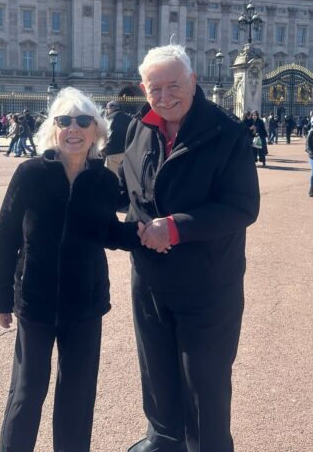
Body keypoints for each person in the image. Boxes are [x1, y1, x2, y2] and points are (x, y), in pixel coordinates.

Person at [119, 44, 260, 452]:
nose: (164, 97)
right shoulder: (139, 127)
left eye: (173, 85)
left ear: (193, 82)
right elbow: (128, 190)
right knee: (156, 370)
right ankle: (163, 440)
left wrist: (175, 228)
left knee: (204, 382)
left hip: (207, 280)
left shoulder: (227, 131)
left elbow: (242, 207)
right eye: (154, 88)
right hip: (149, 276)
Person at [0, 87, 139, 452]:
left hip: (85, 304)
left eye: (83, 121)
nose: (74, 128)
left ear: (96, 131)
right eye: (65, 121)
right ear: (53, 129)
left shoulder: (104, 181)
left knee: (77, 396)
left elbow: (106, 231)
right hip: (36, 301)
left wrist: (143, 234)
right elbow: (5, 234)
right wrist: (0, 297)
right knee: (26, 393)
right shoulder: (30, 174)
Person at [103, 100, 132, 175]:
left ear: (110, 109)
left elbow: (104, 135)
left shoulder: (107, 119)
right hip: (126, 151)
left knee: (112, 175)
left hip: (112, 151)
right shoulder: (128, 117)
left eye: (107, 109)